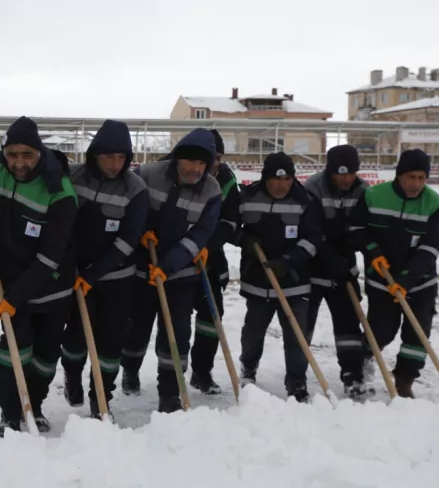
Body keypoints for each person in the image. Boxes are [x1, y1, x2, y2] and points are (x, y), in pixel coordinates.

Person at [0, 116, 78, 437]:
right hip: (8, 278)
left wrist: (14, 298)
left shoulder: (59, 191)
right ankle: (10, 412)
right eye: (12, 155)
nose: (19, 163)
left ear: (40, 153)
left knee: (46, 357)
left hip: (52, 285)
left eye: (27, 155)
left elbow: (50, 257)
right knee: (15, 350)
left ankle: (35, 404)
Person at [120, 128, 221, 413]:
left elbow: (201, 233)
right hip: (141, 269)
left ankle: (170, 392)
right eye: (190, 162)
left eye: (202, 164)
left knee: (176, 334)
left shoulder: (211, 190)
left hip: (180, 275)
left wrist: (169, 264)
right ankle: (130, 369)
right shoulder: (148, 174)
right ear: (177, 159)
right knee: (136, 329)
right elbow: (130, 209)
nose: (195, 169)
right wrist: (139, 232)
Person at [59, 120, 148, 420]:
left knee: (111, 343)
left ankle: (101, 398)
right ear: (95, 154)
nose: (115, 164)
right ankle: (72, 375)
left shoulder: (135, 189)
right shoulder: (73, 177)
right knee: (75, 337)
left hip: (116, 279)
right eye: (109, 156)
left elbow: (128, 241)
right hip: (75, 275)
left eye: (122, 157)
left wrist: (95, 273)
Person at [348, 149, 439, 398]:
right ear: (399, 175)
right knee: (382, 329)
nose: (416, 184)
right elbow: (357, 228)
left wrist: (407, 279)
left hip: (420, 282)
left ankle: (405, 379)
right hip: (381, 278)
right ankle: (364, 356)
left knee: (417, 334)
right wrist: (373, 251)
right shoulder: (374, 196)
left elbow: (431, 246)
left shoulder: (434, 204)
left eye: (422, 178)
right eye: (411, 177)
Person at [236, 152, 320, 402]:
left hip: (294, 281)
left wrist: (288, 262)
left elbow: (313, 239)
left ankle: (297, 382)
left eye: (287, 179)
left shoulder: (305, 200)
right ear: (265, 178)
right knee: (253, 332)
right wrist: (245, 240)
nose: (282, 185)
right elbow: (228, 227)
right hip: (257, 280)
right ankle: (248, 369)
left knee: (296, 334)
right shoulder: (247, 198)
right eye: (276, 180)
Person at [303, 145, 373, 399]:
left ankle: (352, 374)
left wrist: (350, 248)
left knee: (348, 325)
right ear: (329, 171)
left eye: (351, 173)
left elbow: (363, 229)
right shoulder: (313, 187)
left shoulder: (364, 190)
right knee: (303, 323)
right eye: (340, 173)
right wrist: (329, 256)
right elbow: (312, 230)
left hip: (345, 269)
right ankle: (297, 372)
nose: (346, 179)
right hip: (312, 268)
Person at [188, 129, 239, 395]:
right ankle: (145, 369)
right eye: (210, 157)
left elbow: (231, 221)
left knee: (211, 316)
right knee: (173, 319)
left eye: (218, 157)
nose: (214, 163)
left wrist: (208, 245)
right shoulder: (183, 173)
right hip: (177, 259)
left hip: (209, 259)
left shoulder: (228, 180)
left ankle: (202, 371)